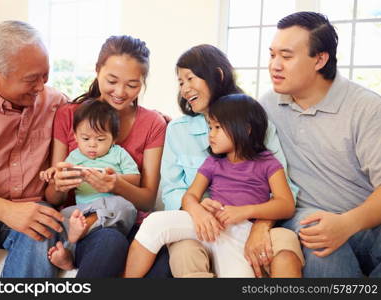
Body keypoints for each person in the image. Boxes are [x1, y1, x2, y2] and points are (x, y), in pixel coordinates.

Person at [161, 44, 304, 278]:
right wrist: (197, 210)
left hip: (252, 220)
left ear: (217, 76)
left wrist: (260, 225)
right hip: (195, 224)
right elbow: (171, 190)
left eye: (190, 78)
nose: (185, 89)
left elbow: (286, 190)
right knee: (185, 254)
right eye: (180, 82)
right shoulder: (177, 131)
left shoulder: (254, 121)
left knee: (284, 248)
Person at [260, 11, 381, 277]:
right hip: (306, 218)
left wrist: (346, 224)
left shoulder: (366, 108)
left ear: (320, 59)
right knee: (318, 239)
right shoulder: (266, 107)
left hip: (366, 222)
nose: (275, 65)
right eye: (272, 55)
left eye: (286, 56)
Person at [124, 94, 297, 277]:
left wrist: (245, 211)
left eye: (217, 128)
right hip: (209, 224)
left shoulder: (267, 163)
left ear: (246, 130)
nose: (211, 135)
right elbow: (190, 196)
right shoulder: (213, 162)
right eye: (209, 127)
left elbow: (286, 205)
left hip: (242, 232)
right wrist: (199, 212)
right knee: (155, 223)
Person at [47, 35, 169, 277]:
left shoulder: (152, 123)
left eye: (132, 85)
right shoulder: (69, 115)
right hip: (83, 225)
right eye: (111, 80)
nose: (120, 92)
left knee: (165, 258)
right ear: (97, 70)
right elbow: (53, 196)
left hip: (133, 220)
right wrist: (59, 184)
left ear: (143, 82)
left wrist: (117, 185)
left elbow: (146, 199)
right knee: (110, 242)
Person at [0, 20, 67, 277]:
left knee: (44, 226)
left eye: (45, 75)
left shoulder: (55, 103)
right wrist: (7, 210)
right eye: (32, 79)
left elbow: (97, 113)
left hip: (34, 209)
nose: (41, 86)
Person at [41, 99, 139, 271]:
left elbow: (135, 179)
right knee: (62, 216)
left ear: (113, 139)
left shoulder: (118, 154)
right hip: (82, 209)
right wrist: (53, 174)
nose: (92, 144)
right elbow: (61, 174)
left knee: (127, 207)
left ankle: (83, 230)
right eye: (85, 138)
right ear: (75, 136)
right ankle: (68, 255)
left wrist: (114, 179)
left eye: (100, 139)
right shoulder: (74, 157)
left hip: (111, 207)